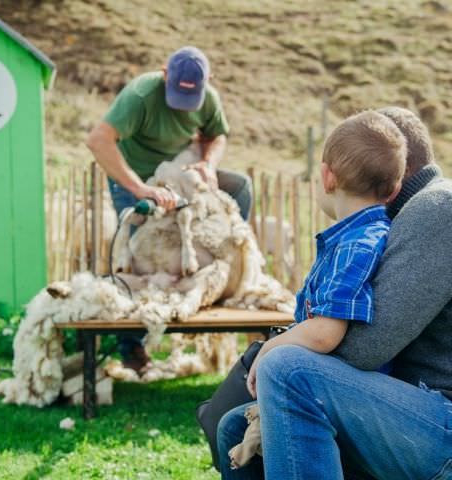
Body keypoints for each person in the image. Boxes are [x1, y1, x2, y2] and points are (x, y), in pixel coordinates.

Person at [217, 106, 452, 480]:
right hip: (419, 409)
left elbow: (364, 348)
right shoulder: (403, 218)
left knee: (287, 370)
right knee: (235, 427)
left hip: (442, 420)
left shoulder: (438, 208)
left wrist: (281, 349)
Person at [87, 46, 252, 373]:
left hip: (179, 173)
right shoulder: (140, 95)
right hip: (134, 178)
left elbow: (217, 135)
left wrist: (207, 164)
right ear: (164, 75)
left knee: (241, 186)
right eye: (177, 93)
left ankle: (221, 271)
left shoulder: (209, 98)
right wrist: (140, 188)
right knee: (132, 258)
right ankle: (131, 349)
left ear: (208, 82)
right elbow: (98, 140)